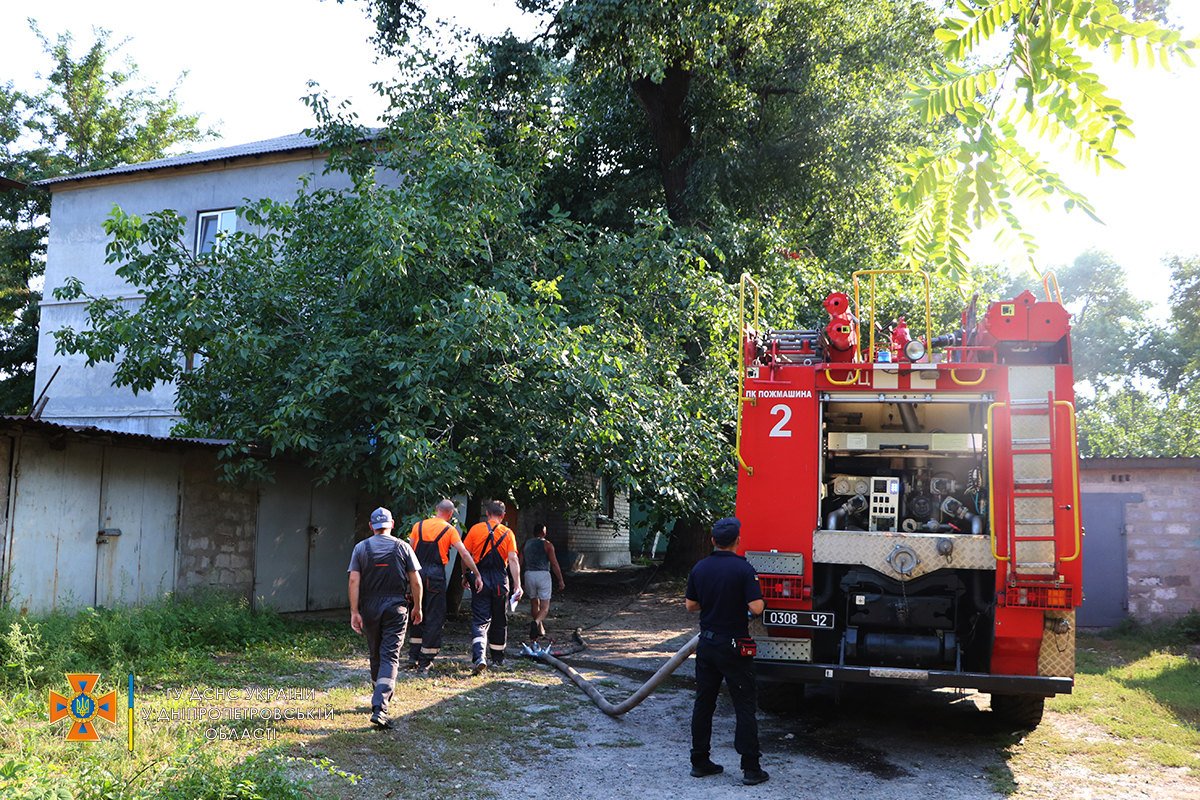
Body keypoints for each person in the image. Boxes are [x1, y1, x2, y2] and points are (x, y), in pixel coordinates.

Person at [684, 517, 768, 785]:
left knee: (704, 703)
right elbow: (756, 608)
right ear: (737, 541)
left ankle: (700, 761)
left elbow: (690, 606)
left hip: (707, 645)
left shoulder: (700, 568)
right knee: (744, 705)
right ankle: (751, 769)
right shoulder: (743, 570)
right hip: (734, 646)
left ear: (713, 541)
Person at [348, 507, 423, 728]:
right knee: (390, 655)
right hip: (396, 606)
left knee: (375, 652)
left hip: (370, 607)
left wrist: (354, 611)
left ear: (371, 526)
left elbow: (354, 581)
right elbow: (416, 581)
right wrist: (417, 607)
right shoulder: (403, 547)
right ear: (392, 524)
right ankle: (380, 706)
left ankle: (377, 697)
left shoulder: (360, 548)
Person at [408, 499, 484, 673]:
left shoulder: (418, 526)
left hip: (417, 573)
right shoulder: (449, 530)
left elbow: (410, 551)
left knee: (416, 611)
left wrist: (407, 577)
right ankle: (425, 661)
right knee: (434, 616)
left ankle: (413, 656)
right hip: (435, 576)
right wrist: (476, 574)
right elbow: (464, 553)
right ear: (450, 515)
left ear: (436, 510)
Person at [462, 499, 522, 674]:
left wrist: (465, 576)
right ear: (503, 515)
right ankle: (497, 658)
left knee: (480, 619)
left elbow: (465, 555)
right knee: (499, 619)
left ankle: (479, 657)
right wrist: (517, 585)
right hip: (499, 580)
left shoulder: (475, 529)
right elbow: (513, 560)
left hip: (480, 578)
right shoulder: (508, 533)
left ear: (487, 514)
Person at [521, 524, 565, 641]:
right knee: (545, 607)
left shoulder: (526, 544)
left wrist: (519, 578)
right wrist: (560, 579)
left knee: (534, 603)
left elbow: (520, 560)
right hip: (543, 575)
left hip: (529, 574)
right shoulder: (548, 545)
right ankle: (536, 622)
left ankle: (539, 629)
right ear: (543, 533)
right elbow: (554, 564)